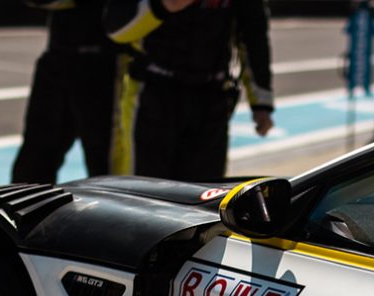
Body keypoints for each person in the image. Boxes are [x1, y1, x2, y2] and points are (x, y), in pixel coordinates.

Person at [104, 0, 275, 181]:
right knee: (142, 192)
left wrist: (261, 103)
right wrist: (161, 6)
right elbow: (115, 29)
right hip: (151, 94)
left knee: (203, 193)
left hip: (211, 98)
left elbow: (253, 32)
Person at [11, 0, 119, 184]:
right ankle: (28, 212)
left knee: (106, 172)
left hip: (105, 65)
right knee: (32, 167)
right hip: (59, 57)